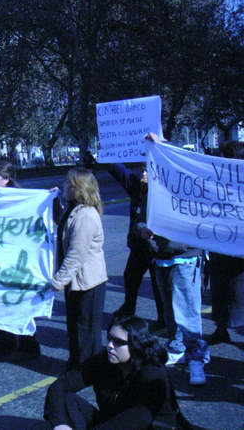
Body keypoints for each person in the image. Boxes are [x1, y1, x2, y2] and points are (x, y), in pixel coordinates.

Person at [141, 133, 209, 386]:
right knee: (170, 312)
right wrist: (144, 230)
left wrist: (163, 145)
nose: (145, 172)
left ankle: (197, 358)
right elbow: (141, 218)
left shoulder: (186, 184)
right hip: (161, 258)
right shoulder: (151, 189)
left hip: (186, 258)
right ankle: (177, 346)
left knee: (189, 313)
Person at [43, 316, 187, 430]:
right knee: (67, 399)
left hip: (143, 427)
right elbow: (60, 386)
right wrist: (60, 423)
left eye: (118, 342)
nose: (110, 346)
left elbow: (138, 418)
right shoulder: (103, 360)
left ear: (136, 345)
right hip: (111, 422)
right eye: (110, 339)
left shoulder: (153, 374)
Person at [52, 168, 107, 369]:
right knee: (76, 327)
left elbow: (76, 253)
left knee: (87, 330)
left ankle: (87, 370)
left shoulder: (85, 216)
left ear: (77, 187)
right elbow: (62, 225)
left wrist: (57, 281)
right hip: (77, 281)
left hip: (88, 283)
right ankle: (77, 365)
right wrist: (54, 200)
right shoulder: (74, 209)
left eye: (68, 183)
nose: (65, 186)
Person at [0, 160, 41, 358]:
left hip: (18, 262)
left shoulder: (21, 200)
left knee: (20, 305)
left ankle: (29, 346)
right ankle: (4, 341)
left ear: (7, 179)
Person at [105, 161, 164, 329]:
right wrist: (109, 152)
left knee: (158, 284)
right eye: (142, 171)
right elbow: (120, 172)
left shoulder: (162, 192)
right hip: (139, 246)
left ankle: (163, 319)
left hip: (156, 247)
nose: (143, 174)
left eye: (147, 172)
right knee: (130, 277)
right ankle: (128, 308)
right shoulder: (137, 188)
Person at [208, 141, 244, 344]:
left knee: (239, 293)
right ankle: (221, 328)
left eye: (223, 155)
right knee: (220, 292)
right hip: (220, 248)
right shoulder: (216, 183)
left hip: (240, 252)